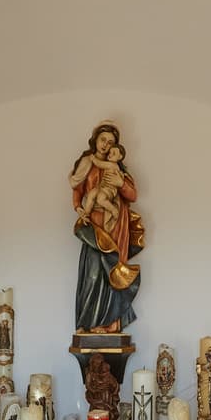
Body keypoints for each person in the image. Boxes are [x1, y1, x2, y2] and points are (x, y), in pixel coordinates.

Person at [70, 122, 145, 334]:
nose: (106, 145)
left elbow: (132, 195)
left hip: (114, 224)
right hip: (93, 223)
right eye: (103, 140)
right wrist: (78, 209)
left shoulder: (118, 169)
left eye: (111, 142)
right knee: (92, 273)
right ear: (95, 139)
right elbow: (77, 190)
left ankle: (109, 324)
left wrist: (121, 184)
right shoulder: (87, 163)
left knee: (111, 271)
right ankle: (88, 323)